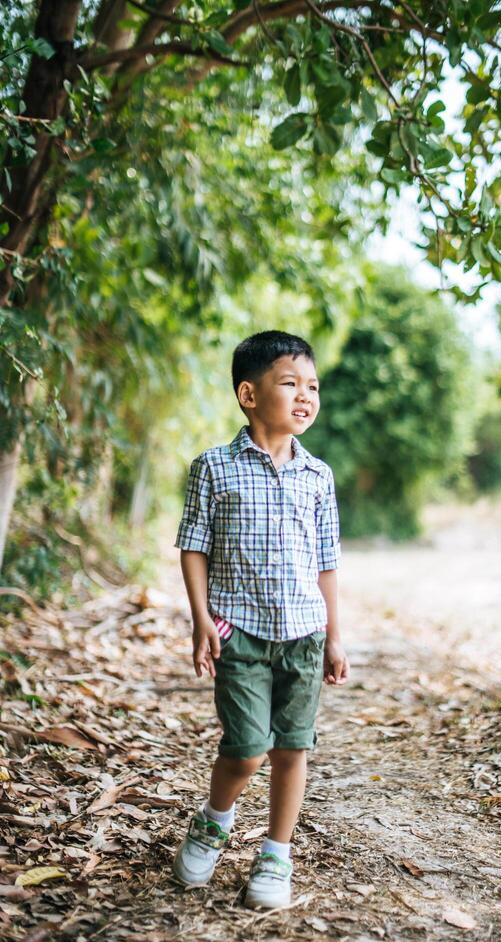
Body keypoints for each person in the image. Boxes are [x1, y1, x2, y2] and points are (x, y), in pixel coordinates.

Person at [172, 330, 349, 909]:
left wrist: (334, 635)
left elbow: (326, 563)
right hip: (238, 633)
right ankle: (214, 821)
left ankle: (276, 853)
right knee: (247, 748)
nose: (306, 396)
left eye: (313, 386)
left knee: (292, 749)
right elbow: (194, 545)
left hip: (302, 635)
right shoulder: (214, 468)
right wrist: (200, 619)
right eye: (290, 383)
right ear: (249, 394)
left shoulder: (318, 476)